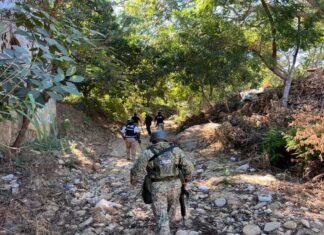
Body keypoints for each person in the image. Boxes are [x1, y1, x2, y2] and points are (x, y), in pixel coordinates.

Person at [130, 130, 194, 235]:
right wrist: (187, 179)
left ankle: (164, 230)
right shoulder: (176, 150)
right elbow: (189, 166)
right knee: (172, 209)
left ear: (152, 140)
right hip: (176, 185)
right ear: (165, 139)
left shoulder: (148, 152)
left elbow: (136, 170)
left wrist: (133, 182)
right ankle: (168, 226)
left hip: (157, 187)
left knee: (161, 214)